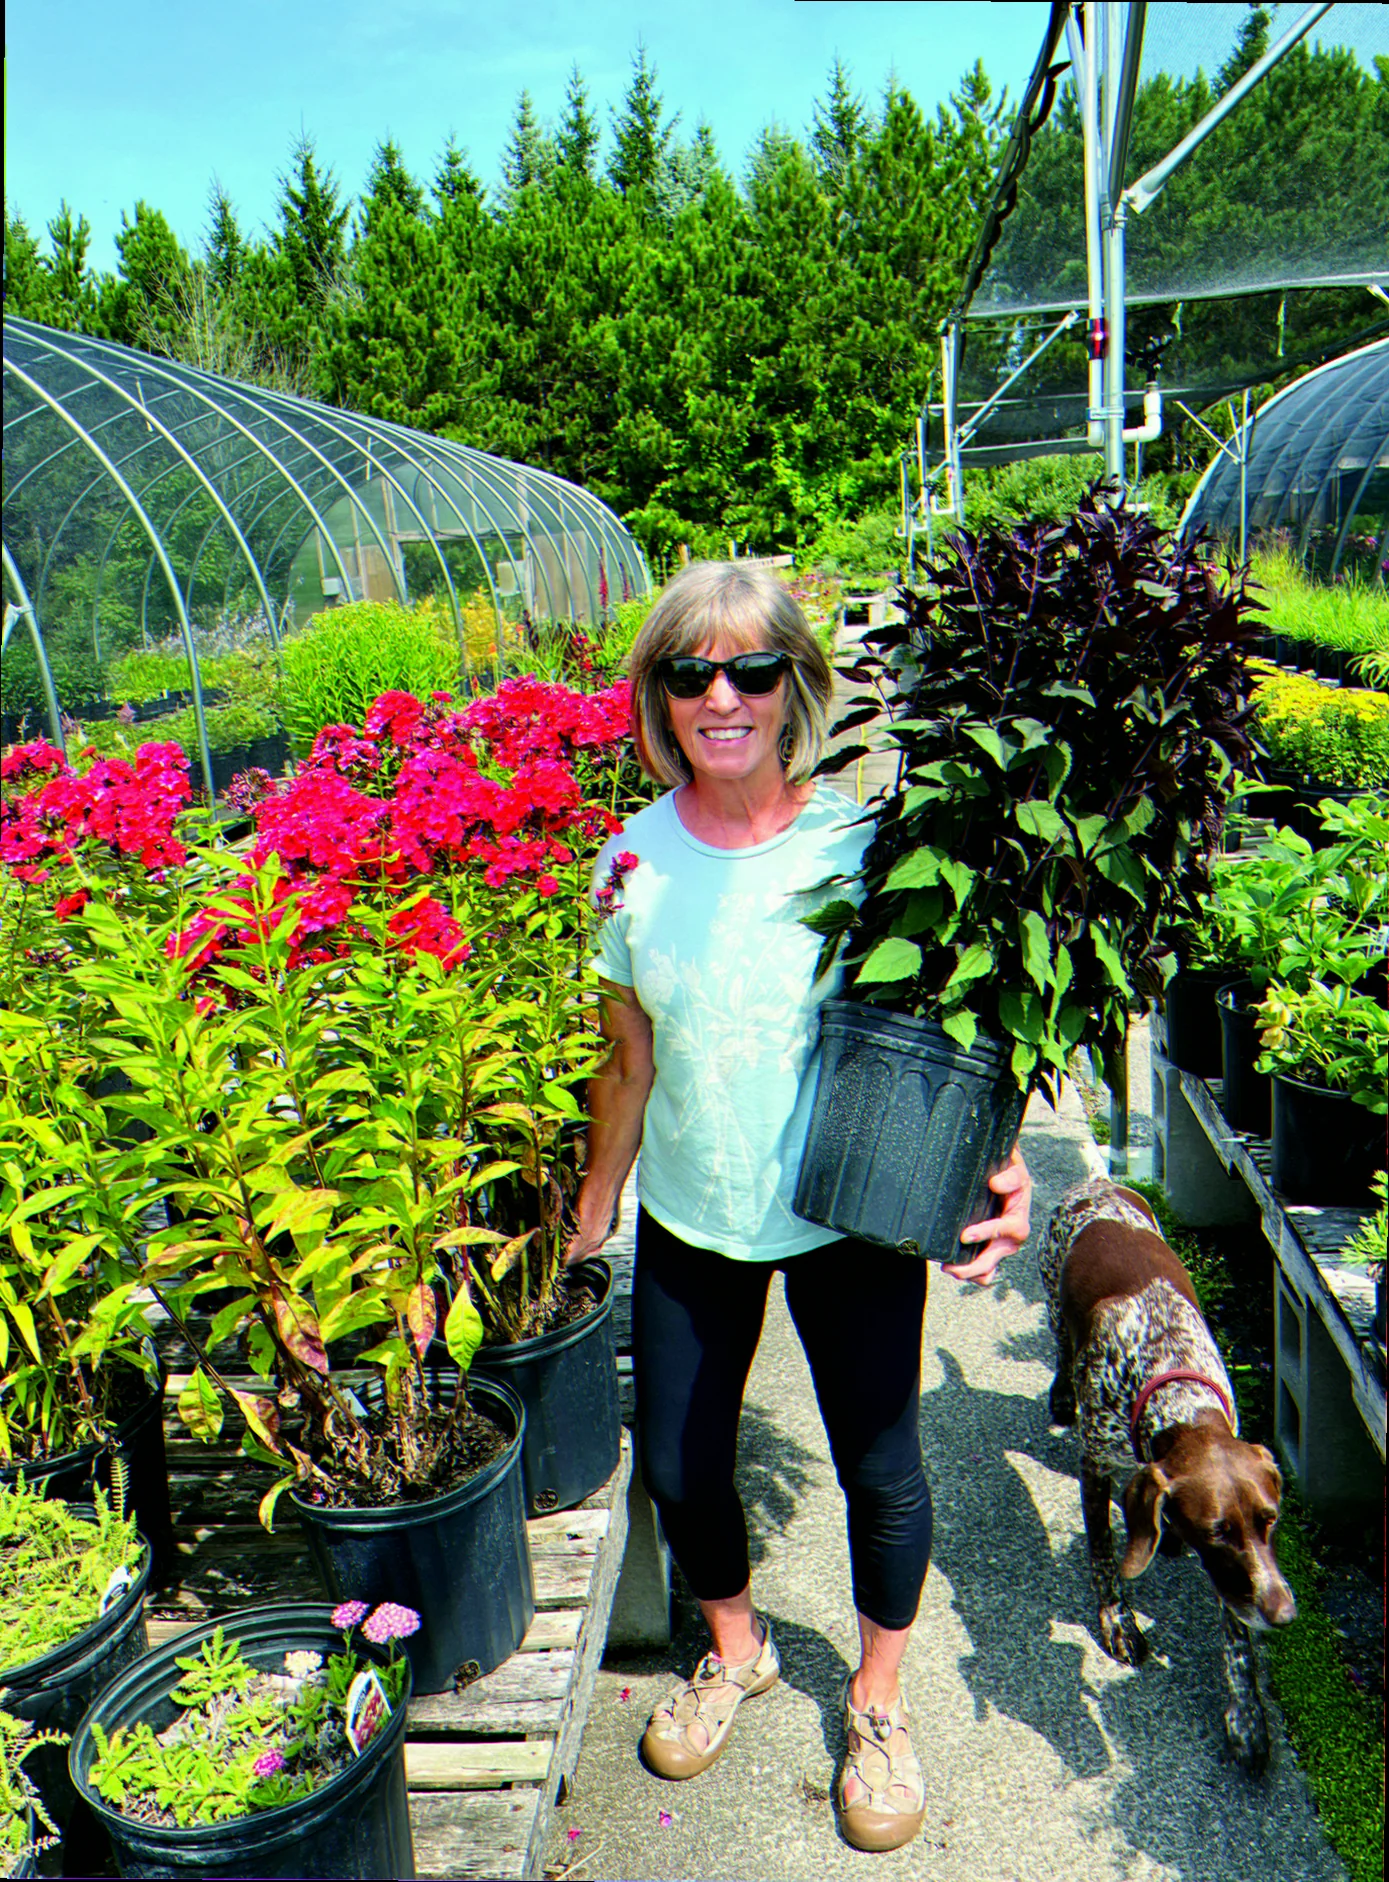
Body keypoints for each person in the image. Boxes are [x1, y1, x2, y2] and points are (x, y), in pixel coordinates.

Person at [564, 561, 1032, 1853]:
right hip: (698, 1214)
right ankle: (737, 1646)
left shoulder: (864, 848)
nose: (723, 694)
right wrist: (599, 1191)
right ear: (660, 694)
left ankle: (877, 1704)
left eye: (752, 669)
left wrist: (998, 1169)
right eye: (691, 670)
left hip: (852, 1214)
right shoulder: (628, 861)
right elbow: (628, 1053)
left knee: (882, 1465)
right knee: (674, 1459)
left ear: (793, 689)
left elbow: (952, 1040)